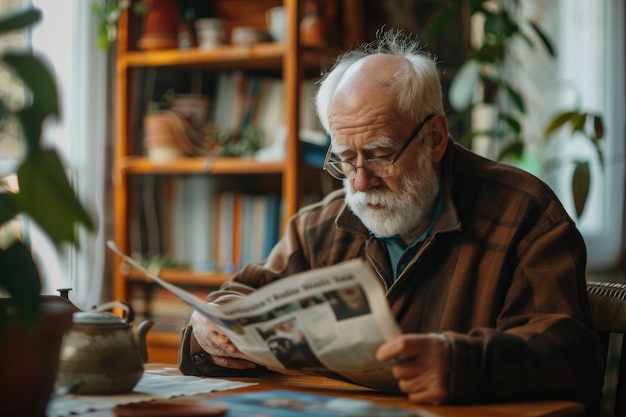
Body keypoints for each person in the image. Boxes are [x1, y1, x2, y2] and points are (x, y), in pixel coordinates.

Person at [178, 29, 604, 413]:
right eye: (345, 159)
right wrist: (207, 328)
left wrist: (463, 365)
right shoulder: (318, 229)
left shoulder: (524, 213)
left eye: (380, 154)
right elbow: (238, 299)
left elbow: (568, 350)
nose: (360, 182)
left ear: (435, 137)